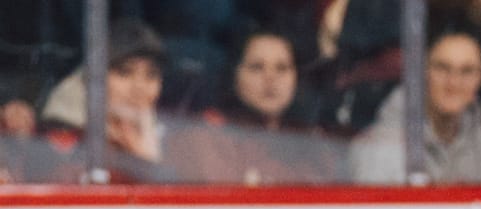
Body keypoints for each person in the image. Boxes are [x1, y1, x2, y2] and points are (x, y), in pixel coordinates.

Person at [170, 29, 344, 184]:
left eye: (282, 68)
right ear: (234, 76)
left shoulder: (313, 144)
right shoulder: (206, 138)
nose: (271, 78)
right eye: (256, 67)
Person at [348, 25, 481, 184]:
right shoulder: (379, 149)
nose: (454, 83)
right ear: (422, 71)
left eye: (467, 71)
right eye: (442, 68)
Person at [36, 18, 174, 183]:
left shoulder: (180, 140)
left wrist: (148, 157)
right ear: (94, 79)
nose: (139, 88)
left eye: (151, 75)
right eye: (124, 73)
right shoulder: (64, 144)